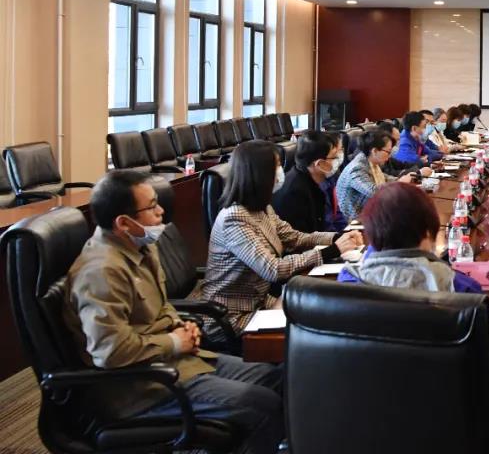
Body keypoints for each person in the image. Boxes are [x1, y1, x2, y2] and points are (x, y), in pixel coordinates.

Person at [63, 170, 284, 454]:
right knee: (262, 405)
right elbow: (109, 351)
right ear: (124, 223)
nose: (161, 212)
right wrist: (173, 342)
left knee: (276, 378)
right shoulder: (101, 272)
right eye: (152, 207)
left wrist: (181, 326)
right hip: (143, 388)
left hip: (178, 361)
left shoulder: (141, 247)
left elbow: (162, 305)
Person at [337, 183, 489, 432]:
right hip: (451, 434)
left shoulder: (347, 286)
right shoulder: (460, 290)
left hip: (364, 431)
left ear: (372, 236)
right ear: (429, 233)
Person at [199, 140, 364, 336]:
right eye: (277, 166)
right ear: (260, 174)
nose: (281, 172)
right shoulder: (234, 218)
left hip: (261, 302)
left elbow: (294, 238)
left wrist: (338, 237)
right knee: (311, 330)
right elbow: (273, 269)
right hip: (232, 316)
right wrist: (332, 251)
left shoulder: (262, 208)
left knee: (322, 311)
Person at [336, 129, 420, 219]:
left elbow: (384, 177)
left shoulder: (370, 161)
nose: (389, 156)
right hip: (357, 220)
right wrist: (399, 182)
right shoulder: (357, 168)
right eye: (388, 152)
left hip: (373, 212)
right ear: (375, 151)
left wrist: (402, 180)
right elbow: (374, 191)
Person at [271, 130, 342, 233]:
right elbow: (302, 237)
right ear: (319, 164)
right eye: (335, 156)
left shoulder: (316, 181)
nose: (338, 160)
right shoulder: (295, 193)